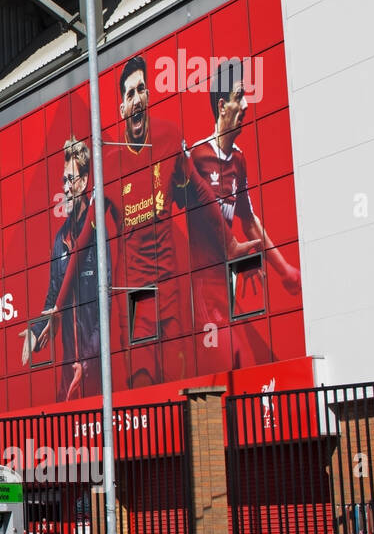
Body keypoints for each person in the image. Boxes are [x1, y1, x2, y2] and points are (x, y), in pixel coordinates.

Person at [50, 55, 260, 387]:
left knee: (180, 390)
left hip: (172, 293)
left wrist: (230, 243)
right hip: (135, 302)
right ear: (122, 108)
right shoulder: (110, 167)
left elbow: (203, 196)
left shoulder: (168, 139)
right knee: (146, 389)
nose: (136, 98)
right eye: (129, 93)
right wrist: (59, 306)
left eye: (141, 90)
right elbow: (82, 244)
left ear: (148, 98)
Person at [188, 58, 302, 363]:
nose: (247, 105)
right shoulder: (195, 157)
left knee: (238, 366)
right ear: (222, 105)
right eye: (240, 97)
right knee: (230, 359)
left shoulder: (239, 161)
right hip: (200, 294)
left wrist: (285, 270)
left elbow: (249, 221)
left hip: (227, 290)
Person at [19, 137, 108, 400]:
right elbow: (53, 296)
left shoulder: (98, 228)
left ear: (84, 181)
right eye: (64, 181)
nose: (67, 188)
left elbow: (108, 301)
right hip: (70, 370)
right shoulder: (60, 240)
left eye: (71, 180)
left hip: (97, 368)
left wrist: (89, 360)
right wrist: (36, 331)